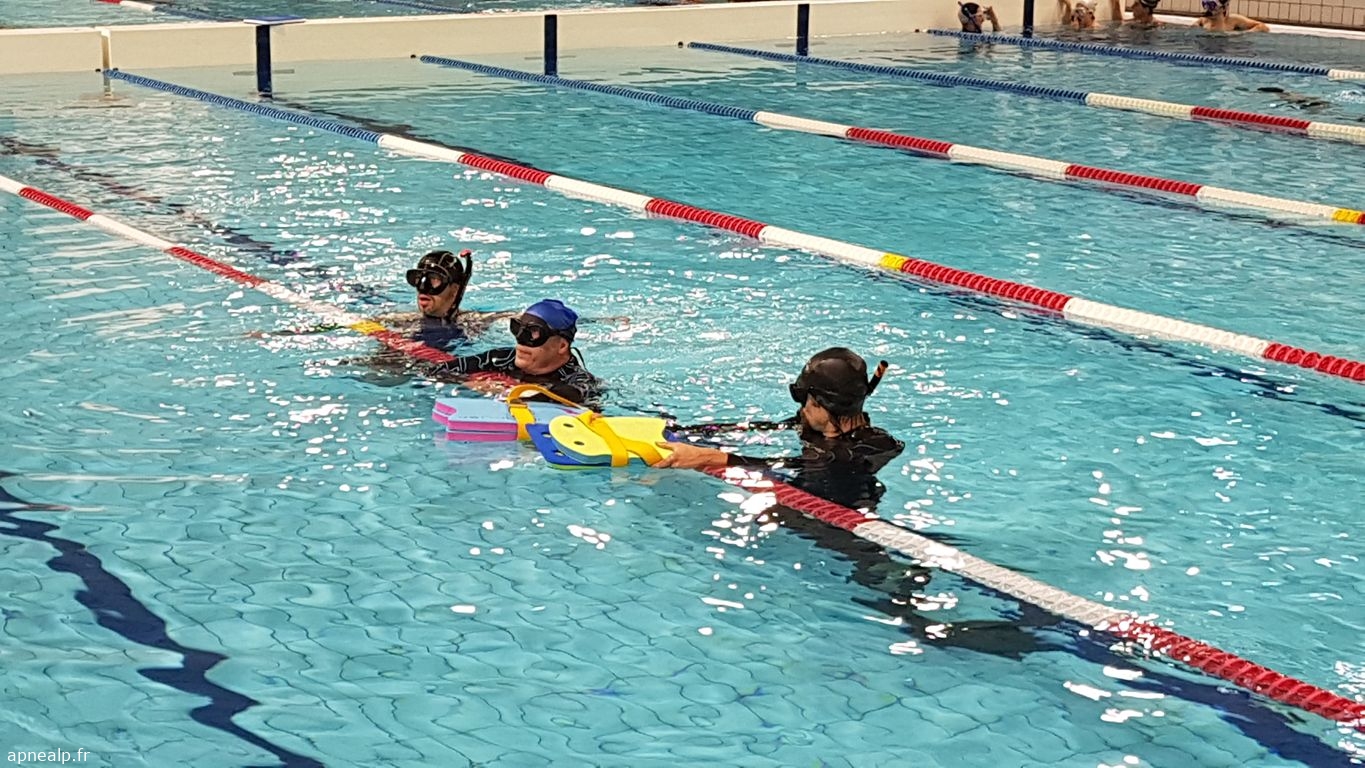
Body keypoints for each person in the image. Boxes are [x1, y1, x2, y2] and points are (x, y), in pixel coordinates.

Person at [657, 347, 904, 510]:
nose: (802, 409)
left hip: (839, 523)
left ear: (823, 405)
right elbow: (766, 429)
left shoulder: (871, 445)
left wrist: (708, 457)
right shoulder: (816, 425)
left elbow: (797, 464)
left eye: (806, 401)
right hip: (803, 497)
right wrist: (689, 432)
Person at [430, 299, 604, 407]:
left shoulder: (579, 379)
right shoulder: (502, 359)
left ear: (562, 346)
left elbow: (572, 394)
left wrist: (510, 392)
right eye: (518, 329)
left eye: (534, 333)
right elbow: (438, 370)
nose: (521, 341)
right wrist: (469, 382)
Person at [1194, 0, 1268, 31]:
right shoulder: (1204, 20)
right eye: (1206, 5)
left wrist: (1243, 34)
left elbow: (1263, 27)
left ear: (1223, 8)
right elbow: (1195, 25)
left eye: (1212, 6)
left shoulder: (1233, 20)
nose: (1209, 9)